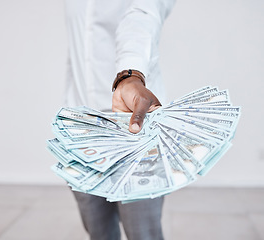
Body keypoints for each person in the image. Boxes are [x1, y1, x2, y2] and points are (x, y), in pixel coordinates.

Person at [63, 0, 176, 239]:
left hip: (134, 128)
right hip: (81, 132)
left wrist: (130, 74)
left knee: (143, 233)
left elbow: (142, 16)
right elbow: (79, 51)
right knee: (98, 232)